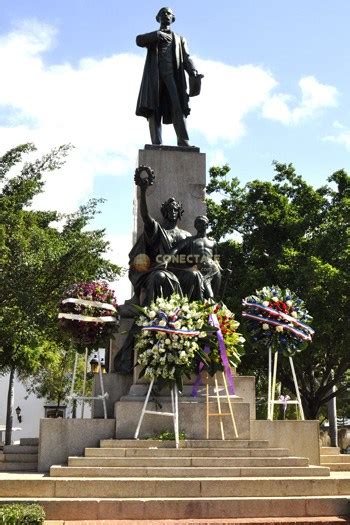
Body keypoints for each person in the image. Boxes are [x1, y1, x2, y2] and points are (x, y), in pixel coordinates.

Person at [135, 7, 202, 147]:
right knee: (154, 108)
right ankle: (156, 142)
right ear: (158, 17)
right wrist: (157, 35)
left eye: (169, 13)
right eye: (163, 13)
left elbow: (186, 58)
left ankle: (183, 141)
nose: (166, 15)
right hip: (155, 77)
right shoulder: (155, 36)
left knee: (178, 106)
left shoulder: (179, 39)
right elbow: (139, 40)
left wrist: (193, 71)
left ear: (172, 18)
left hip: (173, 76)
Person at [171, 215, 222, 299]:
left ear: (207, 225)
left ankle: (213, 311)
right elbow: (175, 249)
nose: (199, 225)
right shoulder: (190, 240)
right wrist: (166, 259)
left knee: (215, 297)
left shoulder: (212, 242)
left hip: (215, 271)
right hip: (202, 271)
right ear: (195, 225)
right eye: (197, 223)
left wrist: (221, 268)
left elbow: (216, 258)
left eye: (202, 223)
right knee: (210, 296)